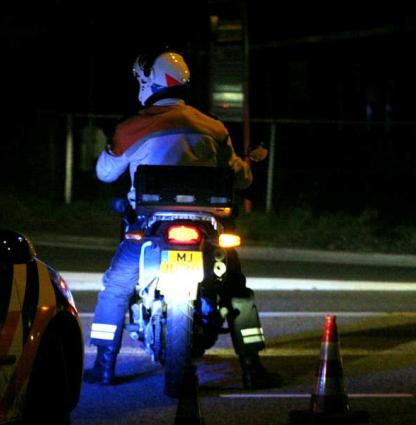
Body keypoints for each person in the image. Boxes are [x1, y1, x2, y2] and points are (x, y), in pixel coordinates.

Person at [84, 49, 280, 392]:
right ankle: (252, 367)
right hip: (205, 229)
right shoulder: (213, 128)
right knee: (235, 291)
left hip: (149, 229)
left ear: (150, 83)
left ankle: (103, 366)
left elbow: (104, 173)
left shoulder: (133, 127)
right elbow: (242, 178)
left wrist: (112, 148)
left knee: (116, 287)